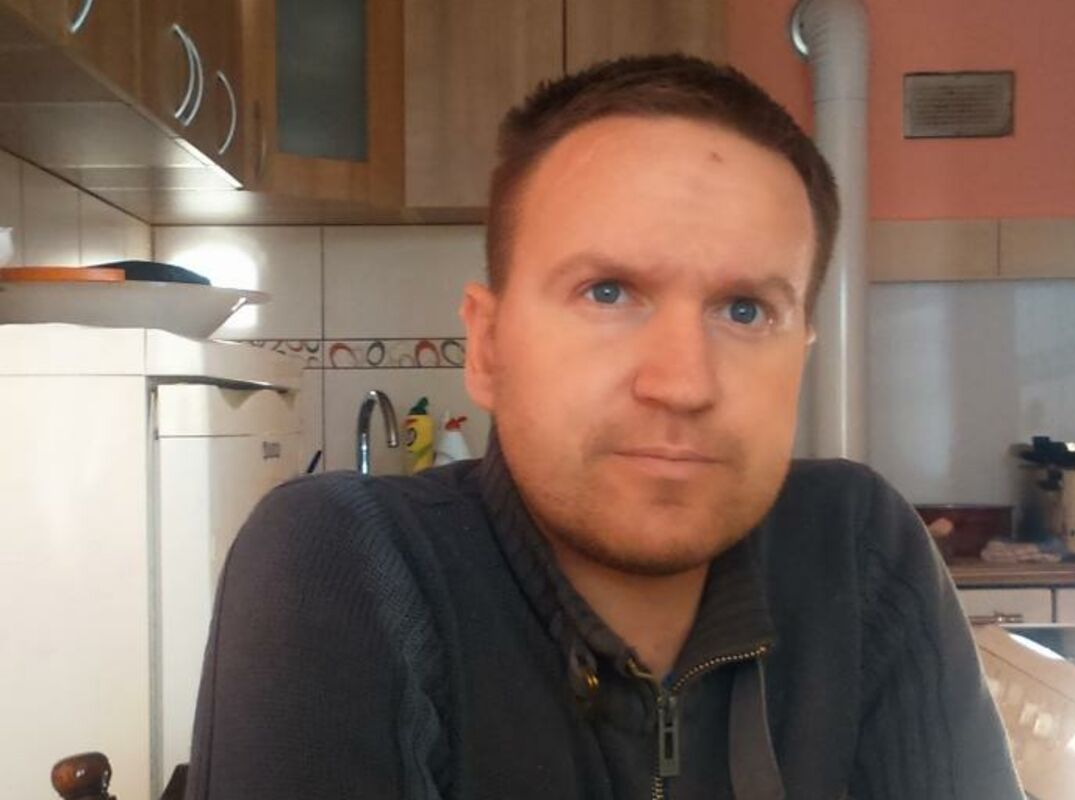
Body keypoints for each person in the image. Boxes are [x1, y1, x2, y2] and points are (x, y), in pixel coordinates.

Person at [185, 55, 1023, 800]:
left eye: (744, 310)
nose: (682, 383)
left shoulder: (858, 548)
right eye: (608, 292)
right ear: (488, 346)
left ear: (800, 353)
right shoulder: (346, 563)